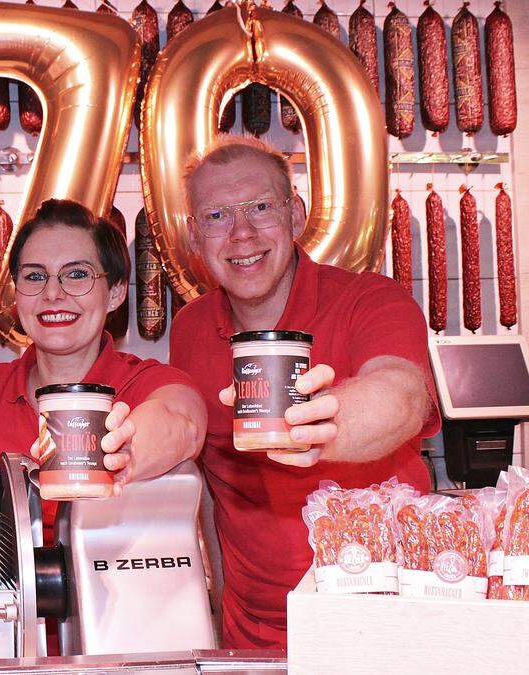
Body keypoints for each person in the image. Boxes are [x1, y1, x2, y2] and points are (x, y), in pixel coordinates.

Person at [168, 136, 439, 650]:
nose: (242, 234)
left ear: (296, 216)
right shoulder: (189, 328)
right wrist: (218, 608)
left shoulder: (372, 299)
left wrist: (323, 425)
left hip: (385, 625)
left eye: (261, 208)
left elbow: (402, 398)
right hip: (252, 635)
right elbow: (212, 483)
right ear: (194, 237)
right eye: (217, 217)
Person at [0, 199, 207, 537]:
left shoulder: (153, 382)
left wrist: (122, 454)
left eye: (77, 275)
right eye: (34, 276)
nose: (53, 294)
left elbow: (184, 424)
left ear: (116, 292)